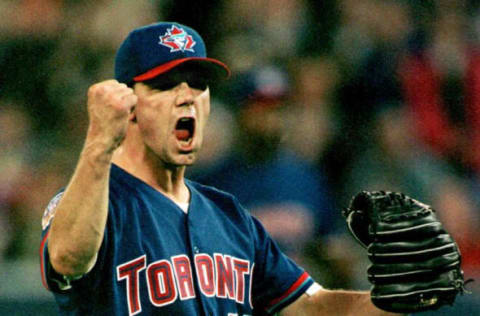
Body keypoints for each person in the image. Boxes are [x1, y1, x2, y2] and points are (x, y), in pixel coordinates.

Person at [39, 22, 400, 315]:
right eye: (165, 85)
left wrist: (399, 297)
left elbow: (311, 306)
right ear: (128, 104)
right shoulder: (95, 204)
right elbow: (68, 258)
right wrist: (101, 143)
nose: (187, 96)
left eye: (198, 84)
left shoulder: (229, 215)